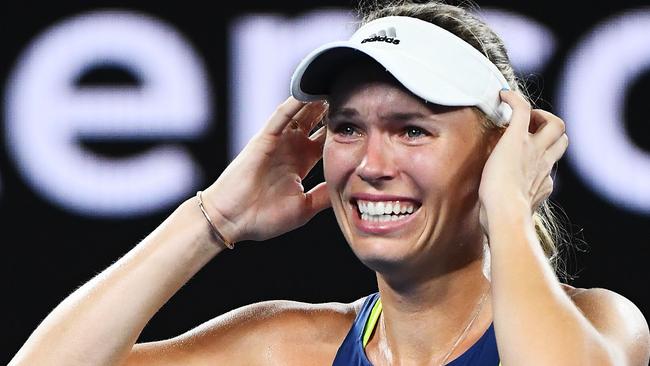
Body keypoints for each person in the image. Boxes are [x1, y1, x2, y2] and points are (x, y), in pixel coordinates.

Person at [9, 0, 650, 365]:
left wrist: (506, 207)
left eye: (411, 130)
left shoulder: (603, 324)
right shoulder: (289, 349)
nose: (370, 164)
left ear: (500, 149)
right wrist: (213, 220)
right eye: (346, 128)